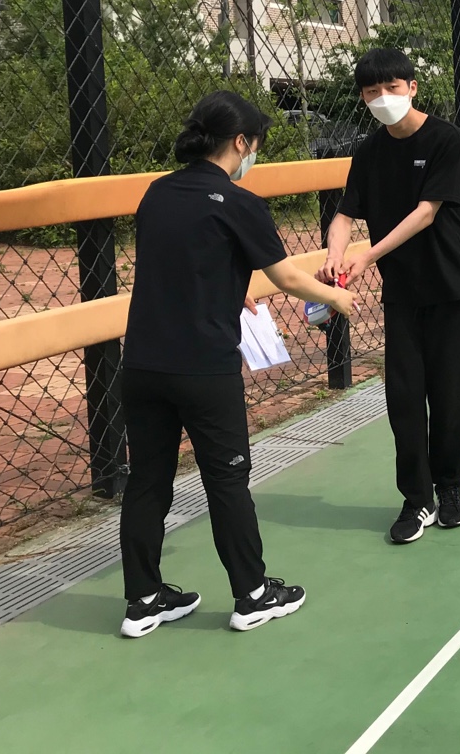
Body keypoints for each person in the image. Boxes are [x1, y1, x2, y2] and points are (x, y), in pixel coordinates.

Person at [119, 91, 356, 638]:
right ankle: (252, 594)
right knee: (227, 479)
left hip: (144, 363)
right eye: (256, 147)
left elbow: (188, 264)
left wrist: (233, 289)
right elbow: (289, 277)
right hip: (204, 367)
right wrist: (339, 300)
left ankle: (143, 599)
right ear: (242, 143)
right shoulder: (238, 201)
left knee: (148, 480)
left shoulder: (156, 193)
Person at [322, 48, 460, 545]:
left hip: (455, 287)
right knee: (405, 398)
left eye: (391, 88)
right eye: (371, 92)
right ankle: (416, 500)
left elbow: (426, 212)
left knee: (448, 392)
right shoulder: (368, 152)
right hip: (404, 293)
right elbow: (346, 212)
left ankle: (450, 488)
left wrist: (366, 257)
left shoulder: (446, 139)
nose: (382, 99)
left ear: (412, 88)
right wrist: (335, 253)